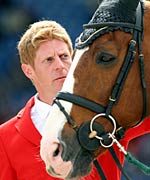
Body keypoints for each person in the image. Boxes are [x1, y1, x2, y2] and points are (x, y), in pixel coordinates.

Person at [0, 19, 149, 180]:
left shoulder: (107, 113)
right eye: (49, 60)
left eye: (64, 56)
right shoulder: (4, 138)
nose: (59, 65)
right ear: (28, 71)